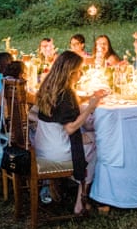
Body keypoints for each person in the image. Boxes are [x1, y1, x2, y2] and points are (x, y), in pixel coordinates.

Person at [35, 51, 107, 214]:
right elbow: (71, 128)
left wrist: (86, 98)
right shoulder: (65, 93)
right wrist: (91, 107)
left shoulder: (48, 85)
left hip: (43, 146)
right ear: (71, 72)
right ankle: (82, 199)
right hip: (58, 151)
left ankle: (63, 186)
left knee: (89, 138)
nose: (81, 74)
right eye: (79, 71)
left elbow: (62, 109)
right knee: (98, 143)